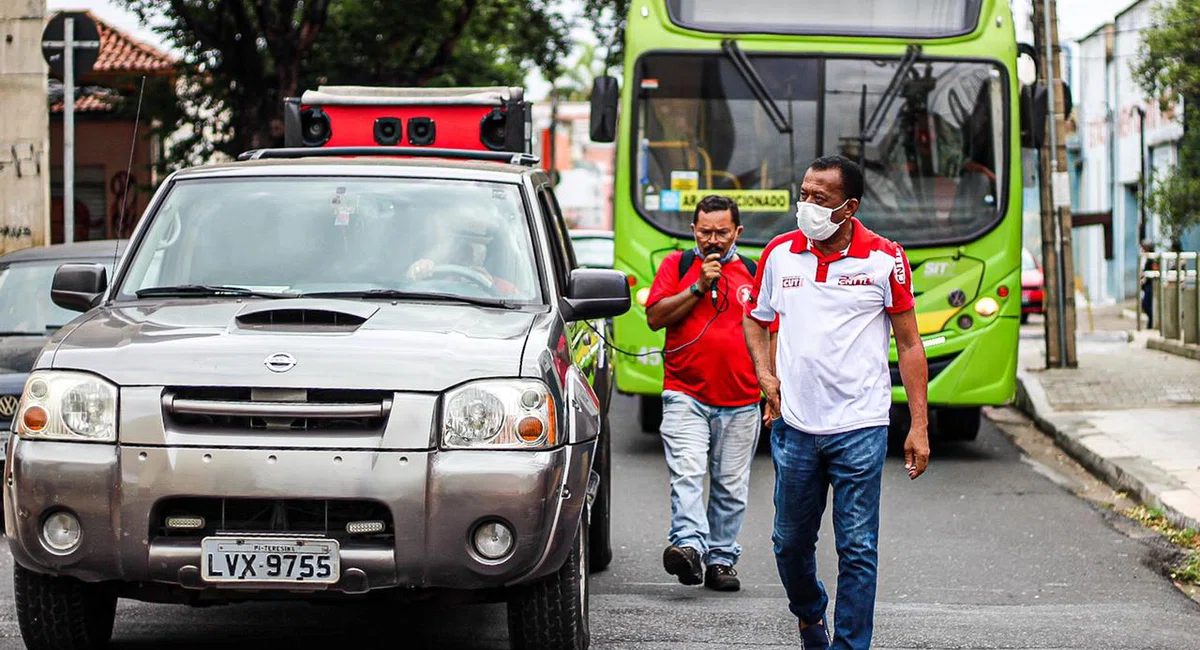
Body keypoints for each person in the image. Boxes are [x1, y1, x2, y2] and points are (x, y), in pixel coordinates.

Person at [742, 155, 930, 649]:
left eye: (818, 198)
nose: (806, 205)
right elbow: (756, 319)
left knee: (858, 548)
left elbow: (910, 344)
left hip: (861, 427)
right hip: (796, 427)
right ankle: (809, 613)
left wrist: (919, 426)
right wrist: (765, 374)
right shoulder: (780, 253)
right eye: (803, 194)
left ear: (849, 207)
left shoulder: (885, 259)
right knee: (790, 544)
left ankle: (849, 646)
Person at [644, 194, 766, 592]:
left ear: (737, 232)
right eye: (706, 232)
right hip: (685, 394)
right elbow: (655, 317)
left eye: (722, 232)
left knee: (731, 485)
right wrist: (698, 287)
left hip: (742, 399)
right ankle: (689, 547)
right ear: (694, 229)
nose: (714, 240)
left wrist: (772, 385)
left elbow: (772, 330)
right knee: (688, 472)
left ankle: (720, 559)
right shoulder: (676, 266)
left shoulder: (754, 271)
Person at [1141, 239, 1158, 329]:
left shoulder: (1153, 258)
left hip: (1151, 285)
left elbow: (1154, 272)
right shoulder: (1147, 258)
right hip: (1147, 285)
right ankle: (1151, 323)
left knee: (1146, 304)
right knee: (1145, 305)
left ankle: (1153, 320)